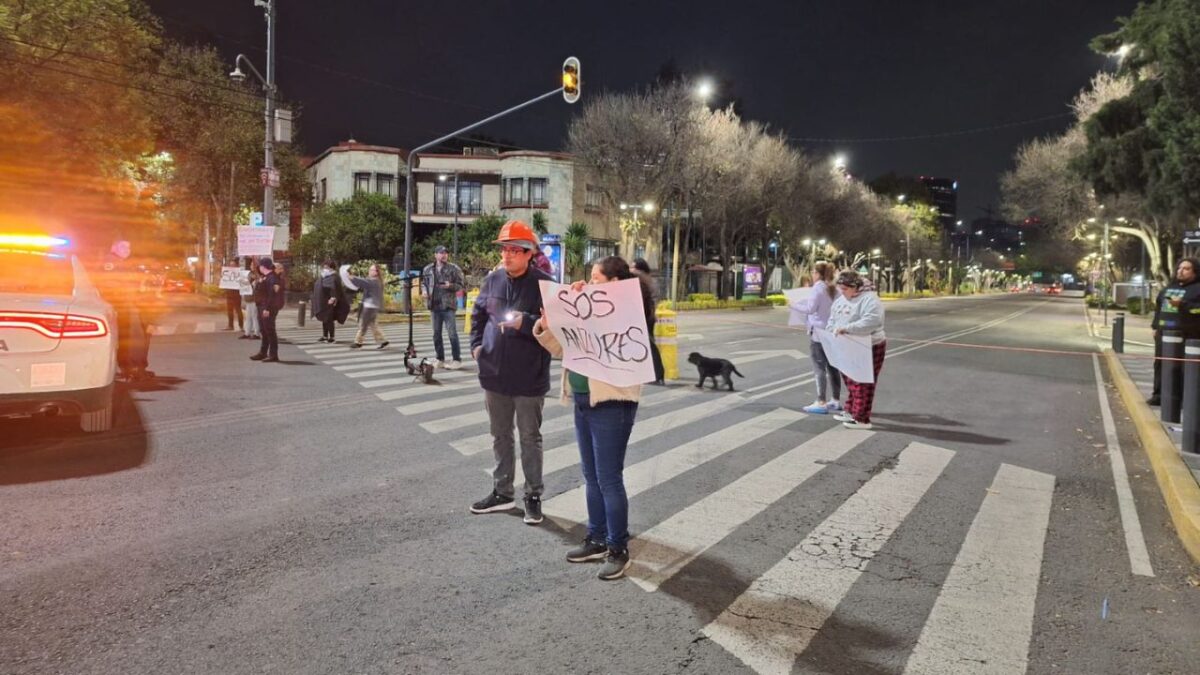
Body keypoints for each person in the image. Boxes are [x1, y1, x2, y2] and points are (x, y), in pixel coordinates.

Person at [534, 256, 652, 580]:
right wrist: (551, 321)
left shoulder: (627, 310)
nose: (589, 282)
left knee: (609, 477)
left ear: (615, 284)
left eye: (596, 278)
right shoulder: (589, 307)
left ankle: (618, 548)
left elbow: (618, 340)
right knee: (591, 475)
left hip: (612, 402)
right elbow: (562, 349)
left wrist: (586, 304)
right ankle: (596, 537)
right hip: (583, 399)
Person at [468, 219, 553, 524]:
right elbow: (477, 314)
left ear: (530, 253)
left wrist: (526, 323)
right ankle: (502, 492)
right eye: (505, 249)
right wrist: (476, 347)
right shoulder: (492, 280)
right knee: (500, 435)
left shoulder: (545, 284)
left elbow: (556, 329)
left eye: (515, 250)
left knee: (530, 437)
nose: (507, 255)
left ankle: (533, 495)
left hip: (529, 375)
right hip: (493, 372)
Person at [827, 270, 886, 430]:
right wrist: (831, 328)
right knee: (850, 380)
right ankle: (851, 410)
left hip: (869, 345)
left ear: (855, 287)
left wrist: (846, 328)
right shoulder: (842, 299)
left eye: (845, 289)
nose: (842, 292)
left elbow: (872, 320)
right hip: (847, 345)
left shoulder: (869, 299)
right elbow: (833, 316)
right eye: (840, 289)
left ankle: (861, 418)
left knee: (863, 381)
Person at [790, 261, 842, 414]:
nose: (812, 275)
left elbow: (810, 309)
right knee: (833, 368)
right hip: (832, 333)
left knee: (819, 368)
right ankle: (836, 400)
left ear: (818, 274)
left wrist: (793, 305)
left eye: (813, 272)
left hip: (818, 334)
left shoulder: (817, 289)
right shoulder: (835, 289)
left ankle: (821, 401)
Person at [98, 239, 152, 381]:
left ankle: (136, 367)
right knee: (133, 338)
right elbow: (109, 284)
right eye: (123, 247)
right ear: (113, 247)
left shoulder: (121, 263)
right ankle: (131, 369)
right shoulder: (110, 262)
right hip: (123, 306)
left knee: (139, 336)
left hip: (130, 304)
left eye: (129, 247)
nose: (127, 250)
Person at [1148, 258, 1200, 405]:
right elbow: (1159, 307)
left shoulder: (1197, 289)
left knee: (1182, 368)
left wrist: (1183, 305)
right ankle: (1158, 395)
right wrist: (1155, 326)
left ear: (1195, 271)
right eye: (1179, 268)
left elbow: (1197, 310)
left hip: (1187, 335)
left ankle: (1182, 399)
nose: (1180, 271)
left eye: (1186, 269)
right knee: (1160, 364)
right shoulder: (1169, 288)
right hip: (1164, 334)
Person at [421, 245, 465, 368]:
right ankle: (440, 358)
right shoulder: (428, 269)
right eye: (441, 253)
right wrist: (424, 291)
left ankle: (457, 359)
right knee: (436, 334)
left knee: (452, 334)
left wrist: (450, 285)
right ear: (435, 255)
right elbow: (424, 283)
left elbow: (461, 285)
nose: (444, 255)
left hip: (448, 306)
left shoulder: (453, 268)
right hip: (434, 306)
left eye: (446, 253)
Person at [632, 258, 666, 385]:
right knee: (646, 344)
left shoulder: (644, 279)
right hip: (647, 315)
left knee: (649, 345)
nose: (632, 269)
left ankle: (658, 375)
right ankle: (652, 373)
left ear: (641, 269)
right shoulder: (647, 279)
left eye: (634, 267)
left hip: (647, 316)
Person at [340, 263, 389, 350]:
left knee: (363, 324)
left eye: (371, 270)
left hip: (370, 306)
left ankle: (358, 342)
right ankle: (383, 340)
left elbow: (362, 282)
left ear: (376, 272)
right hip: (374, 306)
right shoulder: (378, 281)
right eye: (370, 269)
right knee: (372, 324)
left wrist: (351, 277)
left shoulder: (373, 281)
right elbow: (364, 282)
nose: (369, 271)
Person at [250, 257, 284, 362]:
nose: (258, 267)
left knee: (270, 331)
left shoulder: (272, 278)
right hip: (261, 306)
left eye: (260, 265)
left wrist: (267, 309)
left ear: (263, 266)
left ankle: (273, 355)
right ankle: (263, 352)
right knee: (263, 331)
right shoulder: (265, 277)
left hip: (267, 308)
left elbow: (272, 295)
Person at [312, 260, 350, 343]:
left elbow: (336, 289)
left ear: (331, 268)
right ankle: (325, 336)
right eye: (324, 267)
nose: (324, 268)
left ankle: (332, 337)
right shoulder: (324, 276)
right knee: (324, 319)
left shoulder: (335, 276)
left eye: (326, 267)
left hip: (330, 301)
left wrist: (333, 297)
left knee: (329, 319)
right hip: (323, 301)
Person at [240, 266, 261, 340]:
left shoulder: (258, 278)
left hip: (254, 300)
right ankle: (247, 333)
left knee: (254, 317)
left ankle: (256, 333)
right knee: (248, 317)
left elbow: (259, 289)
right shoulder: (248, 277)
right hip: (248, 299)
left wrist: (256, 282)